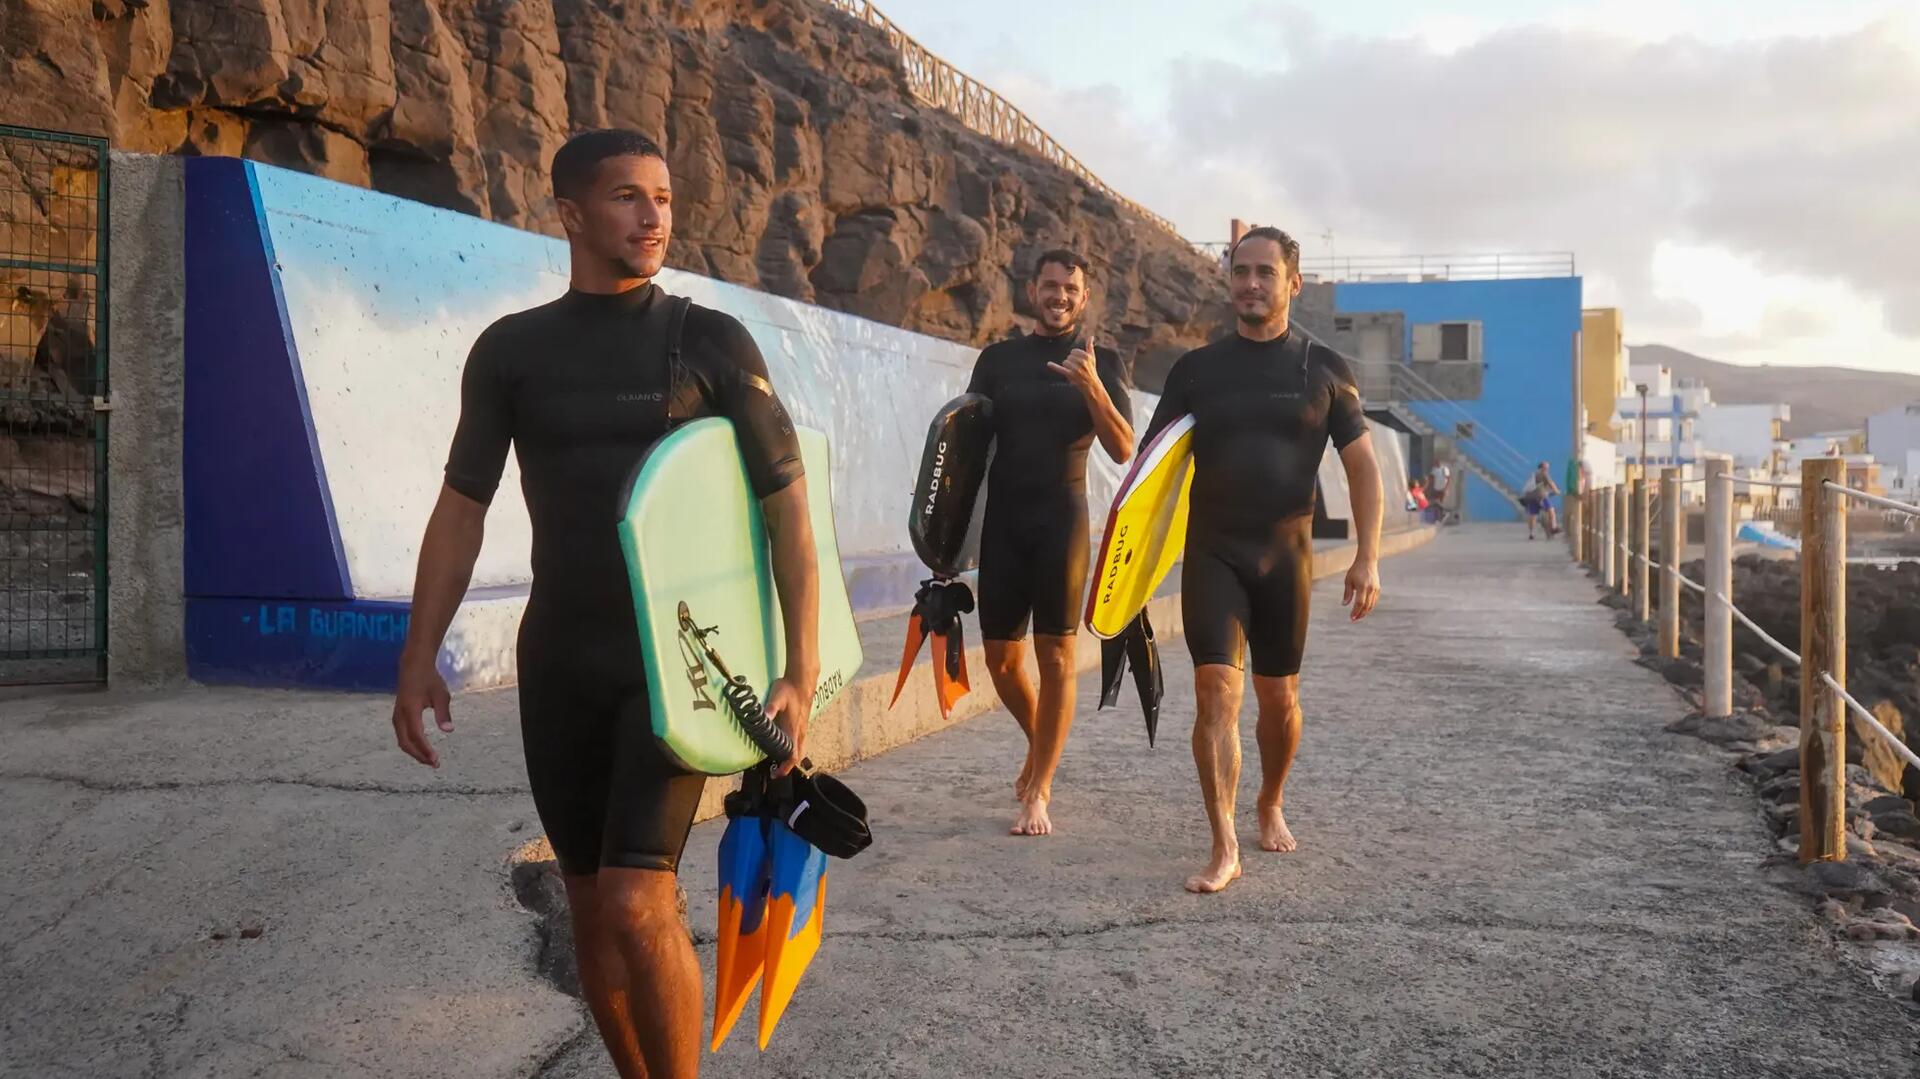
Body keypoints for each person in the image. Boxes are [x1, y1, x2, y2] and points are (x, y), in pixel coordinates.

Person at [388, 129, 820, 1079]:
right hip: (563, 661)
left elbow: (787, 504)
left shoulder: (706, 339)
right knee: (586, 905)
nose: (653, 214)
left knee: (636, 900)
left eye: (662, 197)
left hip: (679, 667)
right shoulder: (510, 352)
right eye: (628, 197)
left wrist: (800, 668)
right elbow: (463, 508)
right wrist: (419, 653)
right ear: (571, 214)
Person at [1140, 226, 1382, 894]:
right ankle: (1222, 843)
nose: (1250, 283)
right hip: (1213, 550)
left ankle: (1269, 797)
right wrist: (1123, 572)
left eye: (1265, 273)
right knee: (1216, 690)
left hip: (1286, 556)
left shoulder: (1324, 369)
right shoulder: (1196, 372)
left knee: (1279, 700)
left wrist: (1368, 556)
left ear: (1292, 283)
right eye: (1240, 271)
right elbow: (1149, 472)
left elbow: (1361, 465)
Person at [967, 248, 1135, 837]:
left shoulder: (1103, 360)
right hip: (1004, 522)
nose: (1059, 295)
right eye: (1051, 285)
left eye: (1071, 288)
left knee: (1057, 656)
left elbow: (1122, 448)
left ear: (1084, 299)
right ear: (1033, 289)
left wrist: (1092, 386)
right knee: (1002, 660)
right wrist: (945, 549)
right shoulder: (998, 360)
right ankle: (1042, 747)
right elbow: (965, 449)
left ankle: (1039, 788)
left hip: (1062, 520)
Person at [1522, 461, 1562, 539]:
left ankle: (1531, 533)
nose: (1547, 469)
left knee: (1533, 515)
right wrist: (1556, 491)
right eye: (1546, 468)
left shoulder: (1533, 474)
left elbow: (1540, 485)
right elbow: (1551, 483)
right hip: (1540, 496)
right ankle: (1554, 527)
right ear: (1542, 468)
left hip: (1530, 496)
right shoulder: (1543, 474)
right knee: (1551, 510)